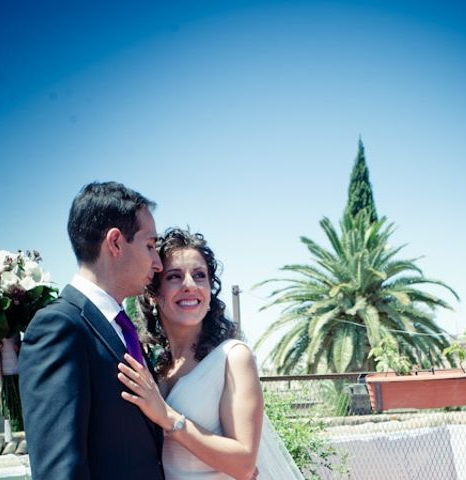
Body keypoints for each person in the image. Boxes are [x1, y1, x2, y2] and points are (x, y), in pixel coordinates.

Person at [117, 228, 303, 479]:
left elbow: (245, 465)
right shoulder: (157, 367)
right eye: (174, 276)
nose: (190, 286)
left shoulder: (233, 358)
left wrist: (168, 417)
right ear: (152, 294)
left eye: (199, 275)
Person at [19, 181, 165, 479]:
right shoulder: (59, 327)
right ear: (114, 242)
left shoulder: (124, 329)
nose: (158, 263)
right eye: (150, 246)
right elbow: (59, 471)